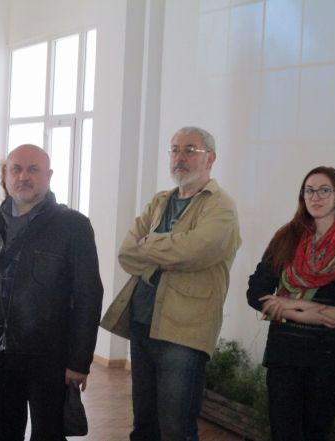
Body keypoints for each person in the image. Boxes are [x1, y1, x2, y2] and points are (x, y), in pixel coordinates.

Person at [101, 126, 241, 441]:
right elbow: (126, 252)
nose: (180, 157)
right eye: (175, 150)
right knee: (144, 424)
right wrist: (168, 254)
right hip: (143, 323)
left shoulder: (221, 205)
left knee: (176, 427)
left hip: (185, 331)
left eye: (190, 150)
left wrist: (150, 245)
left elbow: (196, 250)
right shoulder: (160, 201)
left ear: (210, 159)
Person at [0, 144, 103, 441]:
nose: (23, 176)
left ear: (48, 175)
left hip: (49, 356)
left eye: (33, 169)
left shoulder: (73, 226)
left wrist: (79, 361)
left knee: (49, 434)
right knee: (3, 433)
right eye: (16, 169)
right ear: (6, 175)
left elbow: (89, 296)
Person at [247, 166, 335, 441]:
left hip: (329, 358)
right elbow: (256, 292)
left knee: (315, 434)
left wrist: (293, 308)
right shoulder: (287, 237)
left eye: (324, 190)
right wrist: (314, 313)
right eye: (309, 191)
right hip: (284, 354)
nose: (316, 197)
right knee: (283, 434)